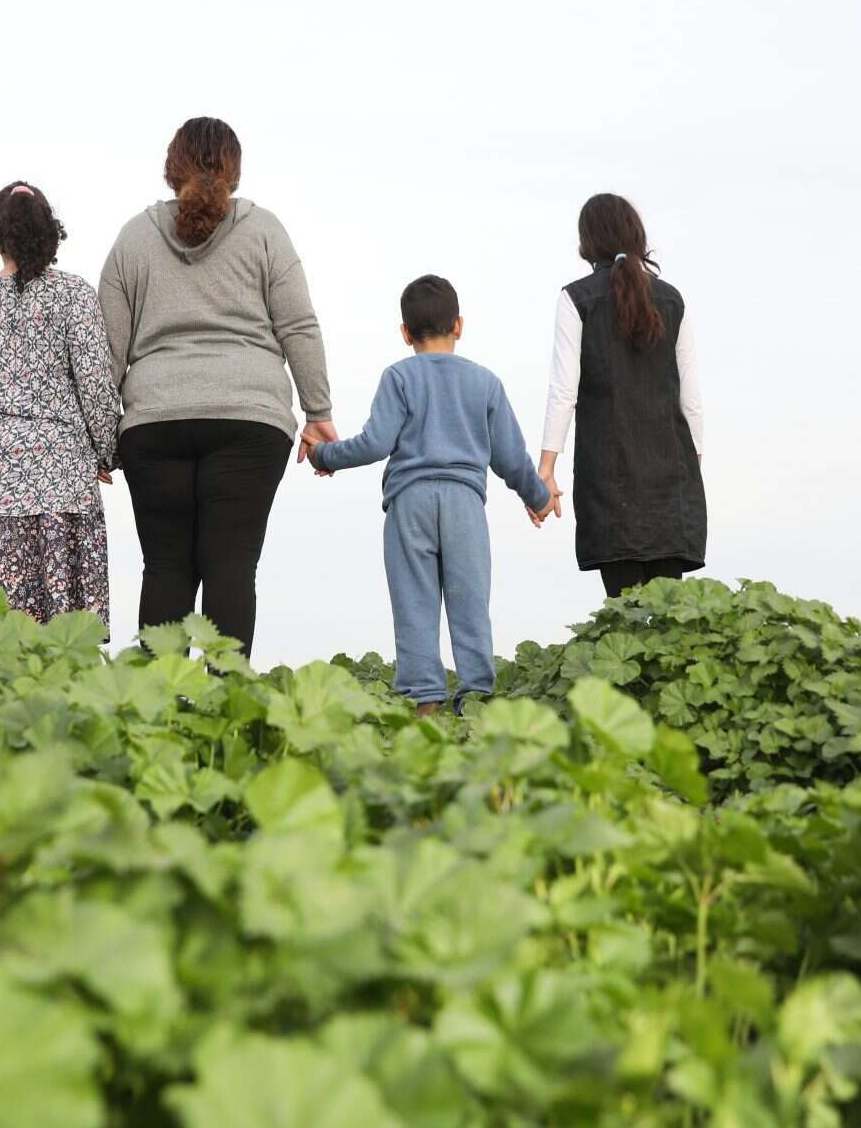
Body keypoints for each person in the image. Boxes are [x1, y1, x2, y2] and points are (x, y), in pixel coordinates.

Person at [97, 117, 336, 656]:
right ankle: (226, 699)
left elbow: (106, 347)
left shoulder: (134, 237)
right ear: (235, 171)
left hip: (154, 422)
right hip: (250, 420)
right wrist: (318, 412)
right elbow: (298, 325)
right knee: (232, 564)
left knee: (165, 567)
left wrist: (97, 436)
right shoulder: (265, 231)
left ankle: (155, 700)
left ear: (170, 169)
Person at [310, 275, 553, 714]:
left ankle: (425, 706)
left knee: (414, 606)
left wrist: (325, 454)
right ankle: (476, 701)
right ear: (459, 325)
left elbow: (375, 443)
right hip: (464, 503)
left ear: (405, 333)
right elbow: (511, 458)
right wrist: (538, 497)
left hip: (409, 502)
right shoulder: (485, 383)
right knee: (470, 605)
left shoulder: (398, 377)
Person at [0, 181, 121, 629]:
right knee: (65, 640)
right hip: (64, 484)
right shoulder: (76, 296)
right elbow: (97, 387)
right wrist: (105, 453)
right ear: (50, 232)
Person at [536, 193, 706, 597]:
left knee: (624, 615)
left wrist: (545, 469)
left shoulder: (576, 299)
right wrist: (692, 469)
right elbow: (692, 400)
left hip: (609, 486)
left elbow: (563, 391)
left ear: (587, 243)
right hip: (672, 485)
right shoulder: (672, 300)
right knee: (670, 620)